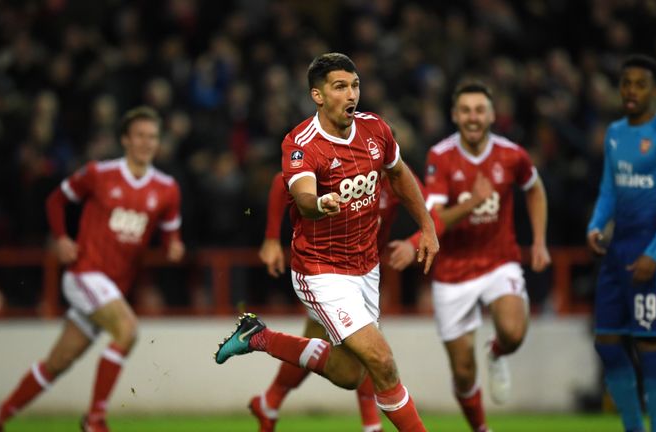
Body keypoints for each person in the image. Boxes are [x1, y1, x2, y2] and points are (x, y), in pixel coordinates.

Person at [214, 52, 439, 432]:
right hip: (320, 271)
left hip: (366, 268)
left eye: (355, 85)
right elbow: (299, 194)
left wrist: (427, 227)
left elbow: (399, 174)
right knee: (382, 361)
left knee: (351, 373)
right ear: (317, 96)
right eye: (340, 87)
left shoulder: (375, 130)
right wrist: (317, 204)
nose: (351, 94)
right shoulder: (301, 143)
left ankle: (260, 338)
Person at [0, 106, 185, 432]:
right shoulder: (99, 173)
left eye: (153, 136)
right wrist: (61, 238)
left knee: (58, 362)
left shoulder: (167, 188)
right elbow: (55, 201)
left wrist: (173, 244)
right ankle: (95, 419)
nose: (147, 142)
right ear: (125, 140)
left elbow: (171, 230)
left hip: (114, 285)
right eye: (140, 136)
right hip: (85, 274)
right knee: (128, 331)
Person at [253, 170, 444, 432]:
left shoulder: (396, 174)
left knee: (342, 365)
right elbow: (280, 181)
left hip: (363, 271)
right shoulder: (341, 162)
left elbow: (434, 216)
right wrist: (272, 238)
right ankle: (371, 424)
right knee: (368, 347)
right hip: (326, 272)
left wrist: (413, 243)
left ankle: (268, 398)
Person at [423, 81, 551, 432]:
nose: (473, 117)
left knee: (513, 332)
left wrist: (539, 240)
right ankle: (481, 428)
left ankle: (496, 352)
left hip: (499, 259)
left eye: (480, 110)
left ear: (493, 115)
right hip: (452, 270)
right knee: (463, 372)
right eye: (465, 111)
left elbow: (535, 189)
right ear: (454, 115)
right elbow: (434, 222)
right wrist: (472, 203)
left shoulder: (512, 155)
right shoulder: (440, 156)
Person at [587, 54, 656, 432]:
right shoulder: (615, 132)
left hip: (651, 255)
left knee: (649, 344)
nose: (631, 90)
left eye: (640, 84)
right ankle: (634, 427)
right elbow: (609, 190)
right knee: (607, 341)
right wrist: (596, 225)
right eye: (626, 83)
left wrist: (655, 253)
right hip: (617, 253)